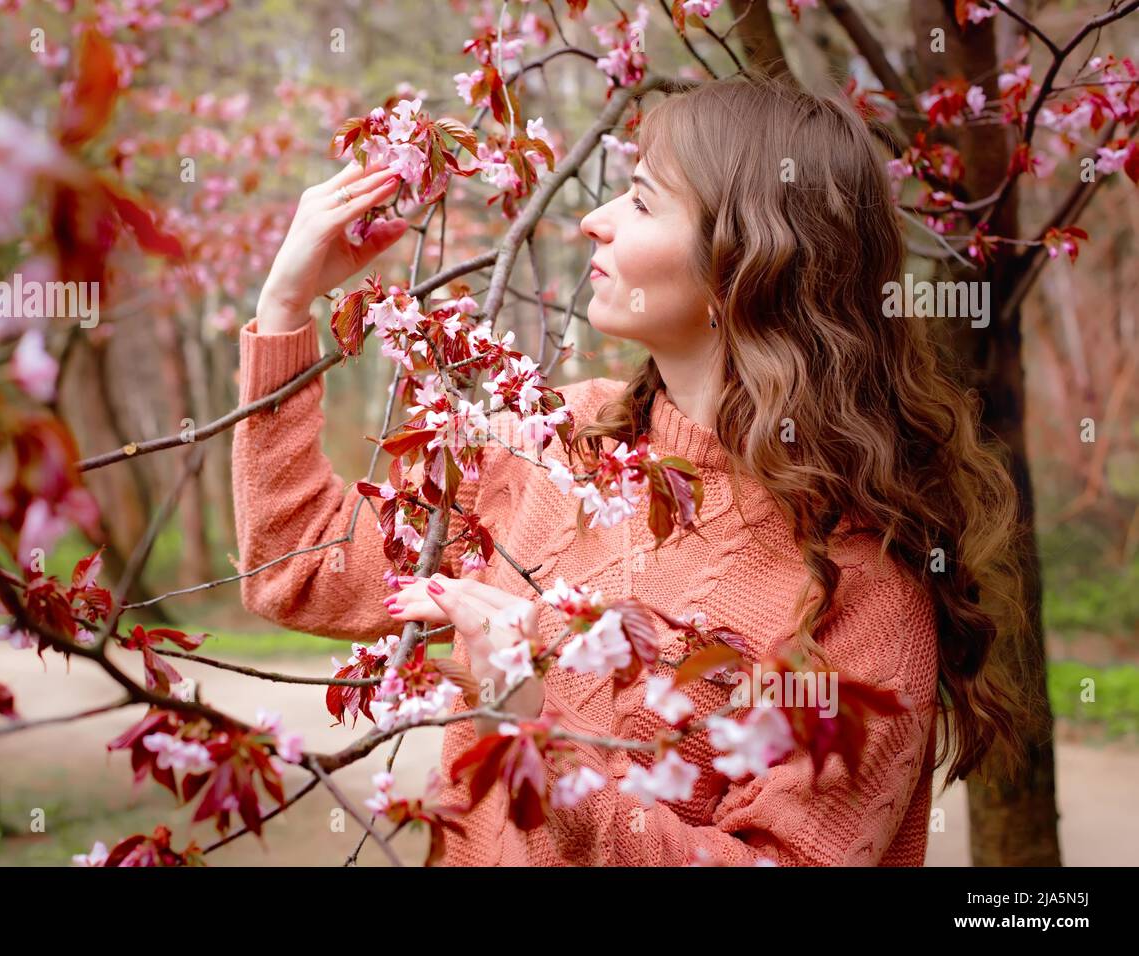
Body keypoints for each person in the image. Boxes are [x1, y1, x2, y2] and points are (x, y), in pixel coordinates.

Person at [231, 73, 1032, 866]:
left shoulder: (860, 585)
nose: (591, 220)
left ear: (741, 267)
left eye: (643, 201)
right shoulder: (555, 438)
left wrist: (533, 724)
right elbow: (295, 565)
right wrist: (285, 309)